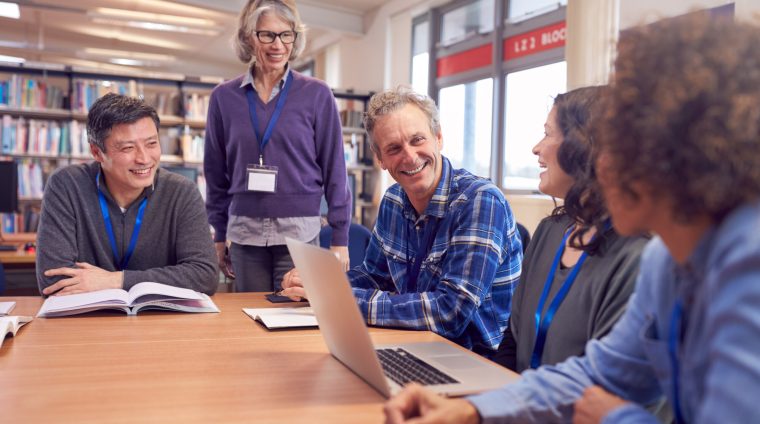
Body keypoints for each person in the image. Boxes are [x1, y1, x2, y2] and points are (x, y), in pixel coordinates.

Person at [383, 15, 760, 423]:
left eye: (617, 141)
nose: (599, 163)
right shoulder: (665, 263)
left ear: (676, 151)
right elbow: (599, 372)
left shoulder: (748, 267)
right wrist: (471, 409)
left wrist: (616, 419)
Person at [282, 87, 524, 356]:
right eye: (394, 148)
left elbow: (450, 313)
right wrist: (319, 283)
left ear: (438, 137)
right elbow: (374, 276)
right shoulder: (394, 199)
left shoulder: (481, 202)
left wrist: (335, 299)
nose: (409, 156)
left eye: (417, 140)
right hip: (411, 344)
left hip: (474, 358)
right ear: (380, 159)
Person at [492, 86, 648, 372]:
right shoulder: (549, 231)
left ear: (583, 146)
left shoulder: (636, 254)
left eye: (548, 133)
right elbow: (512, 341)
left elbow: (606, 380)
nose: (536, 147)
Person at [204, 0, 351, 293]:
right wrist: (219, 235)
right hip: (245, 232)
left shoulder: (317, 94)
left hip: (300, 230)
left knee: (294, 319)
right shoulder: (223, 97)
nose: (278, 45)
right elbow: (215, 174)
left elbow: (335, 169)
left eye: (286, 35)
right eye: (267, 35)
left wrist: (340, 240)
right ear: (249, 36)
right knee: (249, 320)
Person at [36, 93, 218, 296]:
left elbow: (205, 276)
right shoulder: (67, 186)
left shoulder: (182, 192)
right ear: (97, 153)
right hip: (87, 321)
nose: (144, 158)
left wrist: (117, 280)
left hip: (160, 320)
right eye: (128, 148)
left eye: (151, 144)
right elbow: (54, 279)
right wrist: (158, 281)